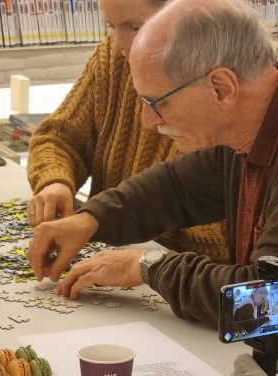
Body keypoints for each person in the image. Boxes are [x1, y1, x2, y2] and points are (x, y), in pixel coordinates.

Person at [27, 0, 278, 355]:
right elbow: (175, 189)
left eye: (156, 103)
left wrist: (147, 265)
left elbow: (276, 304)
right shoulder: (255, 120)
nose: (147, 121)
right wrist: (91, 219)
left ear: (221, 88)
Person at [26, 0, 230, 263]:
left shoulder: (214, 89)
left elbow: (220, 241)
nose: (119, 43)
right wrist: (56, 182)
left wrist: (141, 259)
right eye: (111, 26)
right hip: (107, 256)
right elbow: (58, 137)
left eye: (136, 27)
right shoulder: (112, 59)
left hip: (176, 281)